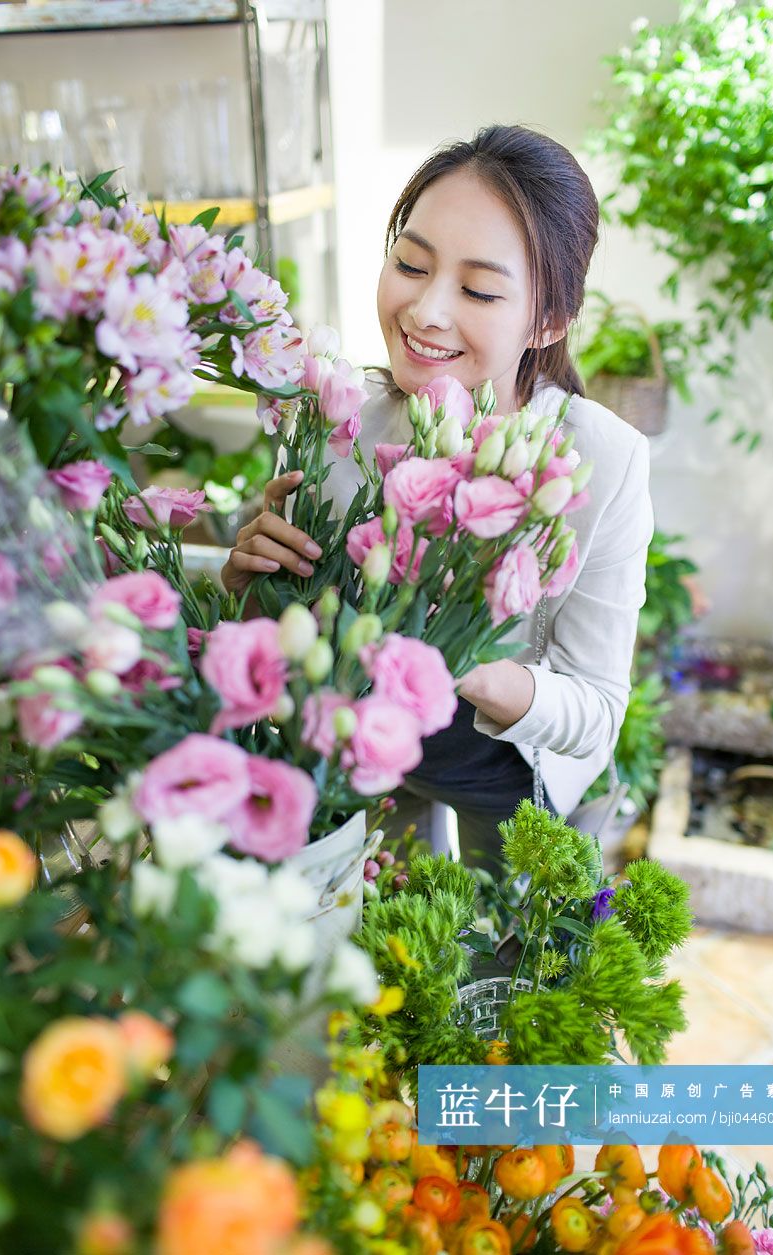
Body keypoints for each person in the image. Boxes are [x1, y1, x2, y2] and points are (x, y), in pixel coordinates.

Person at [222, 124, 653, 871]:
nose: (424, 310)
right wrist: (244, 580)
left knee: (501, 963)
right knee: (377, 942)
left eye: (479, 289)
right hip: (357, 743)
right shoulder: (333, 414)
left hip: (509, 763)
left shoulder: (599, 462)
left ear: (548, 319)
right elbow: (281, 637)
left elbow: (595, 712)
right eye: (409, 264)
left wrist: (459, 665)